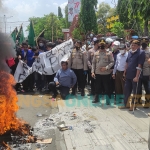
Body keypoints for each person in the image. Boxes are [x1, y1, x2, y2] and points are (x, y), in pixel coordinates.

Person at [120, 40, 145, 110]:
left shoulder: (141, 52)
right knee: (126, 90)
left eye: (134, 45)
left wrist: (137, 77)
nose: (133, 46)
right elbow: (127, 63)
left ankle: (134, 105)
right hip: (129, 74)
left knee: (135, 91)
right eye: (132, 45)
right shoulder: (130, 52)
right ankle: (126, 104)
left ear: (138, 46)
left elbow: (139, 65)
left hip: (135, 75)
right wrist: (125, 72)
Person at [91, 39, 114, 104]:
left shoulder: (109, 53)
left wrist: (106, 68)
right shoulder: (96, 53)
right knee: (97, 86)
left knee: (106, 86)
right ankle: (96, 98)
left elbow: (112, 62)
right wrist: (92, 72)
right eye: (101, 45)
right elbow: (93, 63)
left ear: (105, 45)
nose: (102, 46)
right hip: (98, 73)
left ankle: (108, 100)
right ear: (99, 45)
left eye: (103, 45)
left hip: (106, 73)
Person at [140, 38, 150, 104]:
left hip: (147, 71)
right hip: (139, 71)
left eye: (145, 42)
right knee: (138, 88)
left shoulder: (149, 50)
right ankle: (139, 101)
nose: (144, 43)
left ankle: (147, 102)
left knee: (147, 89)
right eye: (143, 42)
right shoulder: (139, 50)